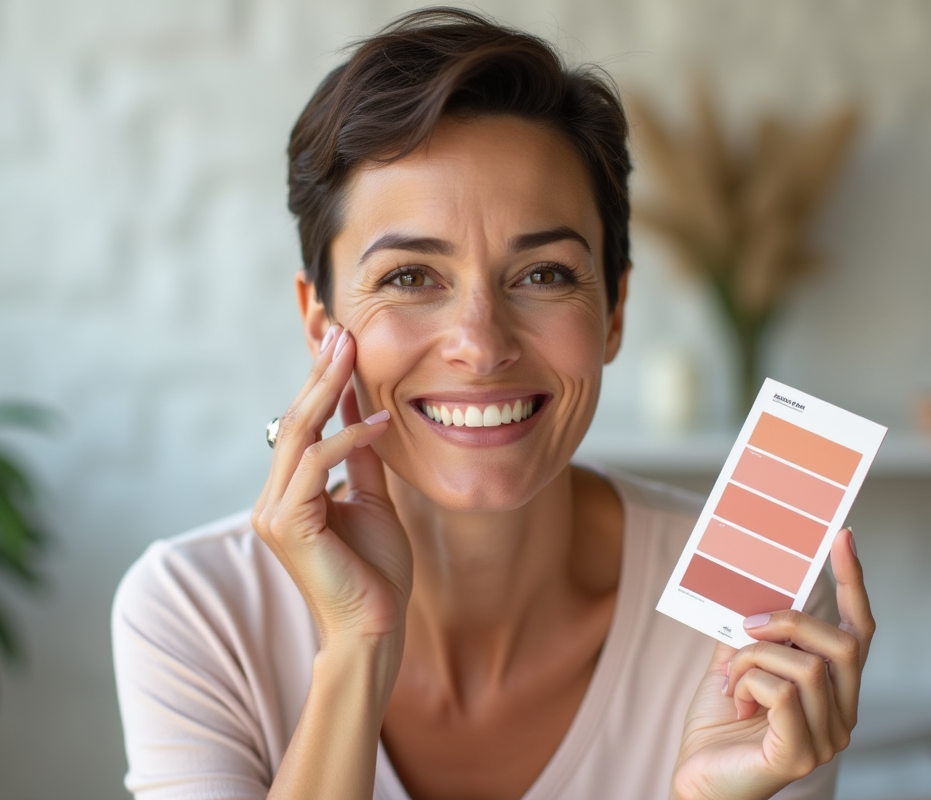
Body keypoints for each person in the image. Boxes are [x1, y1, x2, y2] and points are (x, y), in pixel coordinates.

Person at [112, 8, 875, 800]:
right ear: (320, 323)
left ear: (613, 311)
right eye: (411, 277)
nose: (480, 345)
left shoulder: (750, 608)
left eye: (543, 274)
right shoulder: (195, 610)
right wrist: (356, 650)